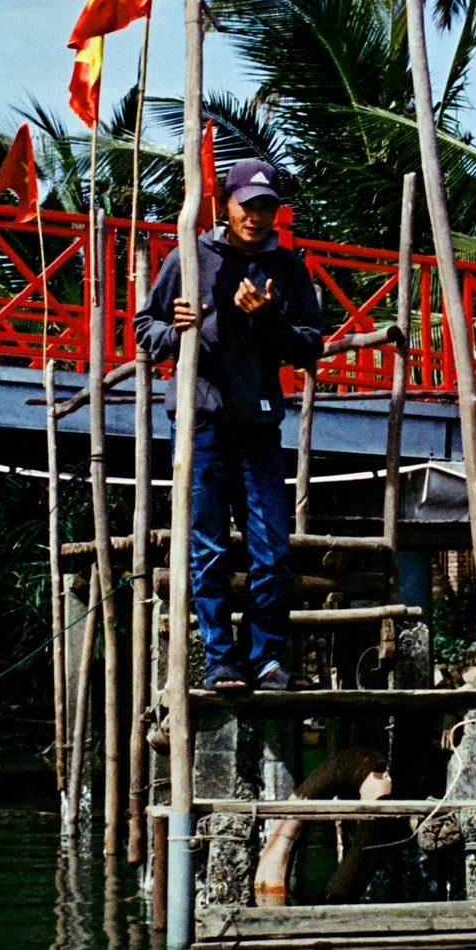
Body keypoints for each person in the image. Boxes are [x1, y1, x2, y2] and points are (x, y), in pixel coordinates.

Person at [136, 157, 325, 691]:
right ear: (227, 205)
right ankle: (221, 658)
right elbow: (144, 327)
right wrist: (178, 332)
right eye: (248, 206)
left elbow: (312, 343)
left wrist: (266, 318)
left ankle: (265, 659)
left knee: (272, 546)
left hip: (260, 421)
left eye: (267, 207)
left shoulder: (287, 267)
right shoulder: (191, 257)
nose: (257, 216)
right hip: (201, 420)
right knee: (209, 544)